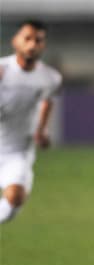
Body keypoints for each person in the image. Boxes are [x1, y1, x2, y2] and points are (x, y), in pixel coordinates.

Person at [0, 20, 62, 225]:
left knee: (15, 199)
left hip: (18, 150)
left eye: (38, 40)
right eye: (27, 38)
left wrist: (42, 130)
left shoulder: (50, 78)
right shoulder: (2, 70)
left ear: (43, 45)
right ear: (15, 41)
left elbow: (47, 101)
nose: (32, 44)